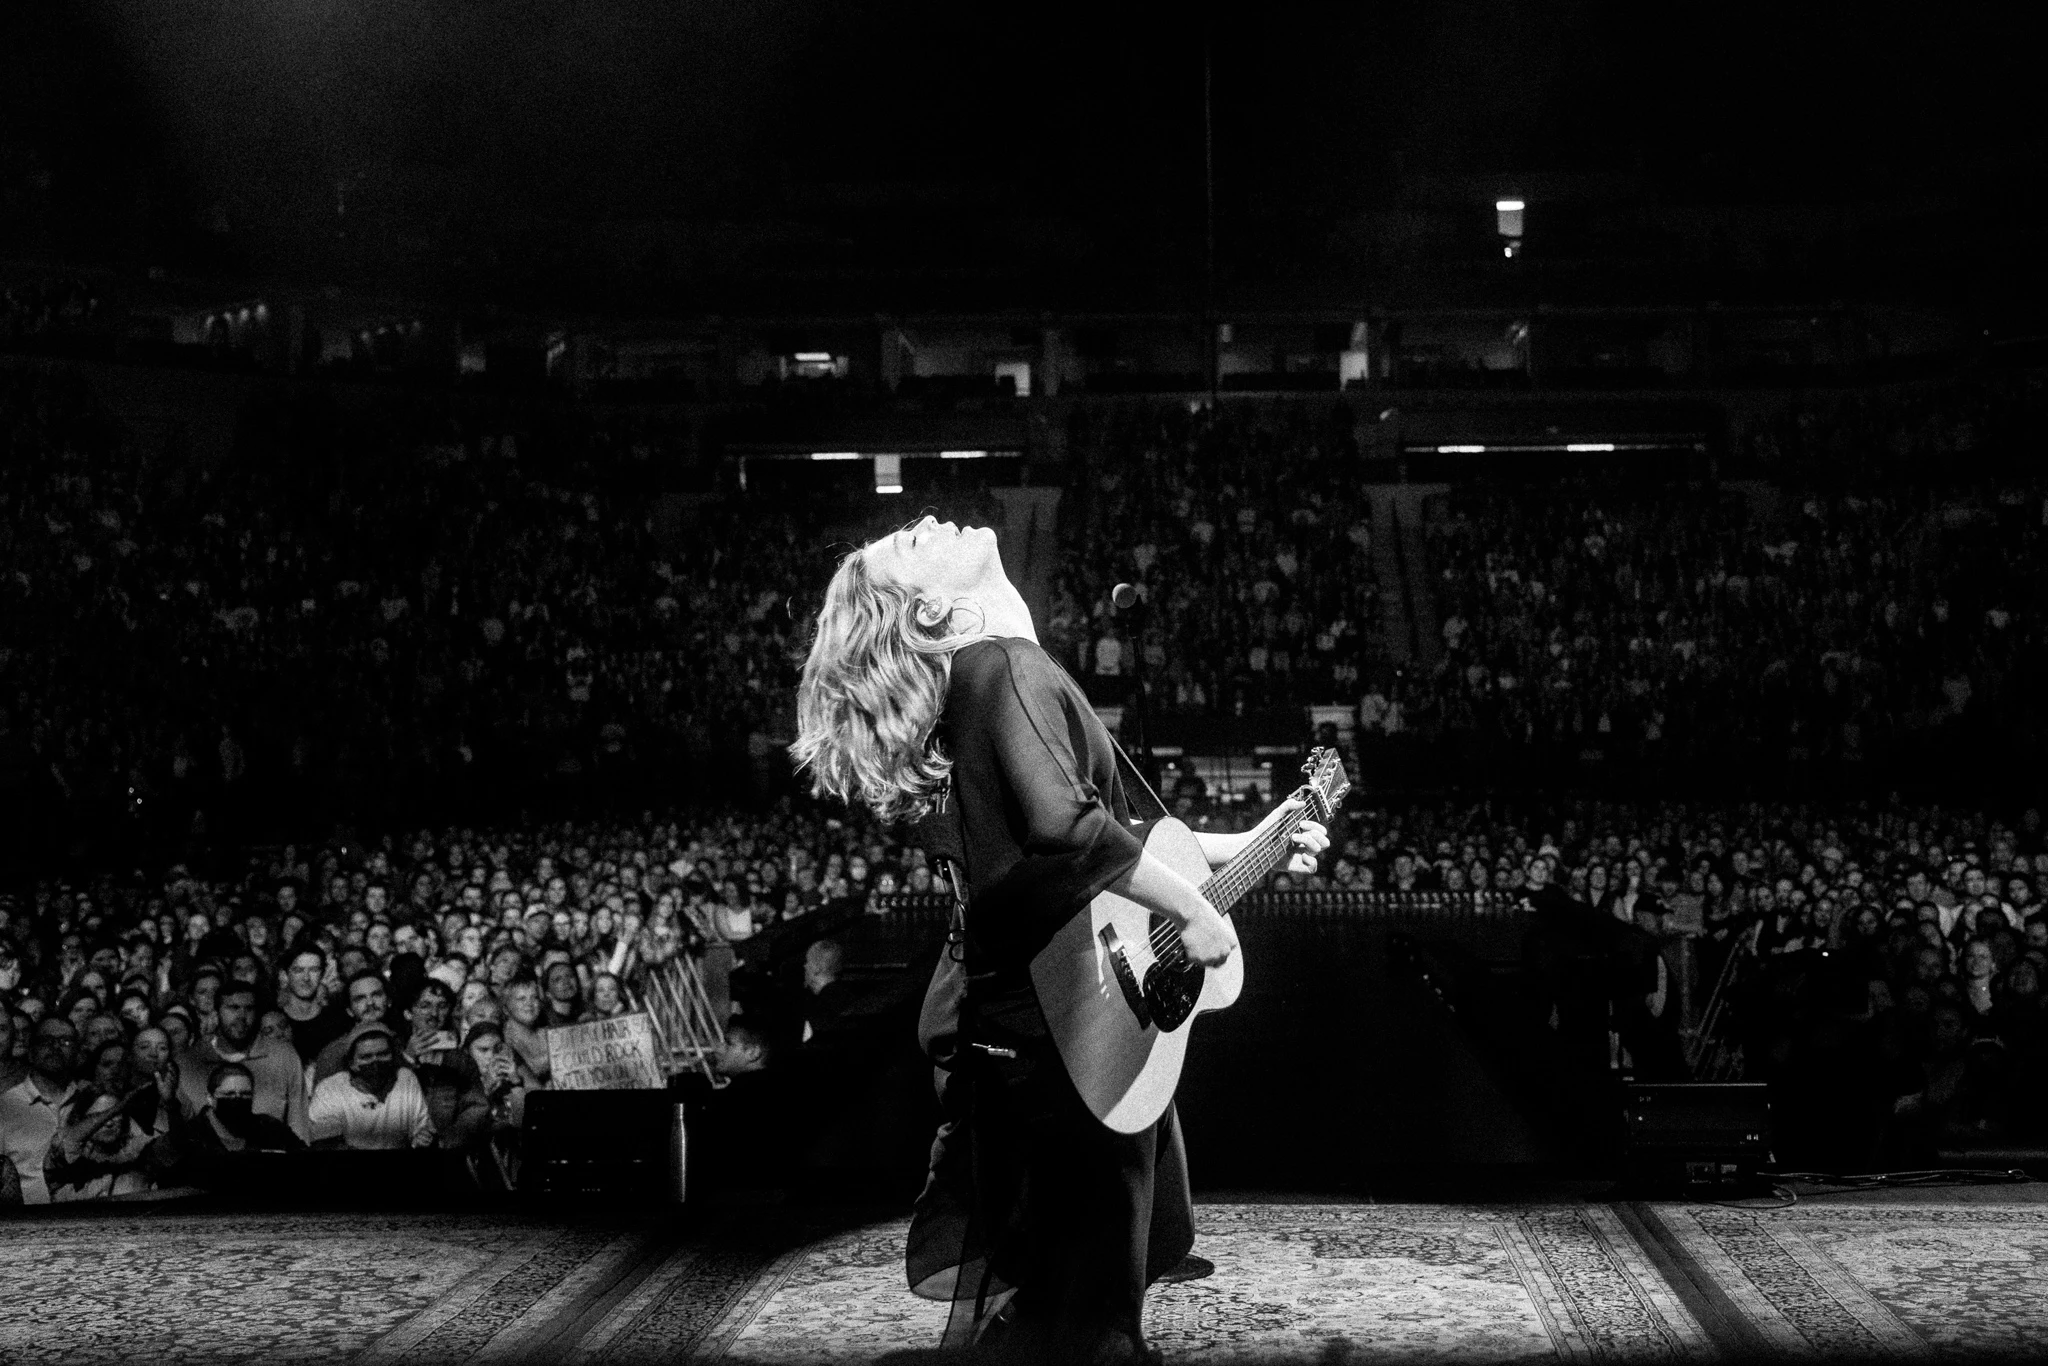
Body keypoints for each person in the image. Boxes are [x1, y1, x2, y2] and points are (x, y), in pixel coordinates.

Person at [791, 514, 1325, 1361]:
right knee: (1088, 1317)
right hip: (1065, 1020)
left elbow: (1113, 834)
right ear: (932, 610)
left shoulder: (981, 677)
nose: (928, 520)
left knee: (1067, 1294)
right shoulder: (1002, 664)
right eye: (914, 543)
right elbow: (1066, 827)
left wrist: (1258, 841)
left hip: (1043, 1014)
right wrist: (1192, 911)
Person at [177, 982, 311, 1141]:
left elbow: (299, 1125)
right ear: (216, 1012)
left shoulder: (283, 1056)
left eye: (249, 1008)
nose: (241, 1016)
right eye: (233, 1008)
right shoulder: (188, 1063)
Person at [307, 1026, 436, 1150]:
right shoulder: (330, 1089)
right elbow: (324, 1142)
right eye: (366, 1057)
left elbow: (421, 1126)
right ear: (351, 1063)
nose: (375, 1062)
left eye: (383, 1054)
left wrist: (421, 1137)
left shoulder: (405, 1079)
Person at [0, 1016, 81, 1204]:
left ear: (78, 1052)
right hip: (25, 1218)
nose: (56, 1047)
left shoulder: (92, 1101)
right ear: (31, 1051)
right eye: (46, 1041)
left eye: (65, 1041)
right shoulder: (6, 1106)